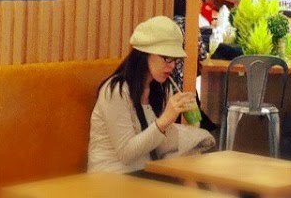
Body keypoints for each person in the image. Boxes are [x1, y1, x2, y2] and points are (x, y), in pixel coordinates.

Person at [88, 16, 215, 173]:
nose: (172, 66)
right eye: (167, 58)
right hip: (110, 176)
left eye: (175, 59)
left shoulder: (162, 88)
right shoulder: (116, 91)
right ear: (145, 54)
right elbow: (126, 154)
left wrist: (193, 123)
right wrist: (165, 120)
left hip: (145, 173)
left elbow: (158, 145)